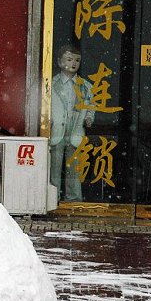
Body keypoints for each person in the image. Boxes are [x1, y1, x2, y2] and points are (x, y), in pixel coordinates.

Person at [50, 44, 95, 202]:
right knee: (54, 168)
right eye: (69, 59)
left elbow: (91, 106)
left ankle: (73, 199)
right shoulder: (51, 84)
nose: (73, 63)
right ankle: (52, 198)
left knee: (74, 170)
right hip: (56, 130)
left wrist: (89, 117)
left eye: (77, 60)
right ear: (59, 61)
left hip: (76, 130)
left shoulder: (85, 86)